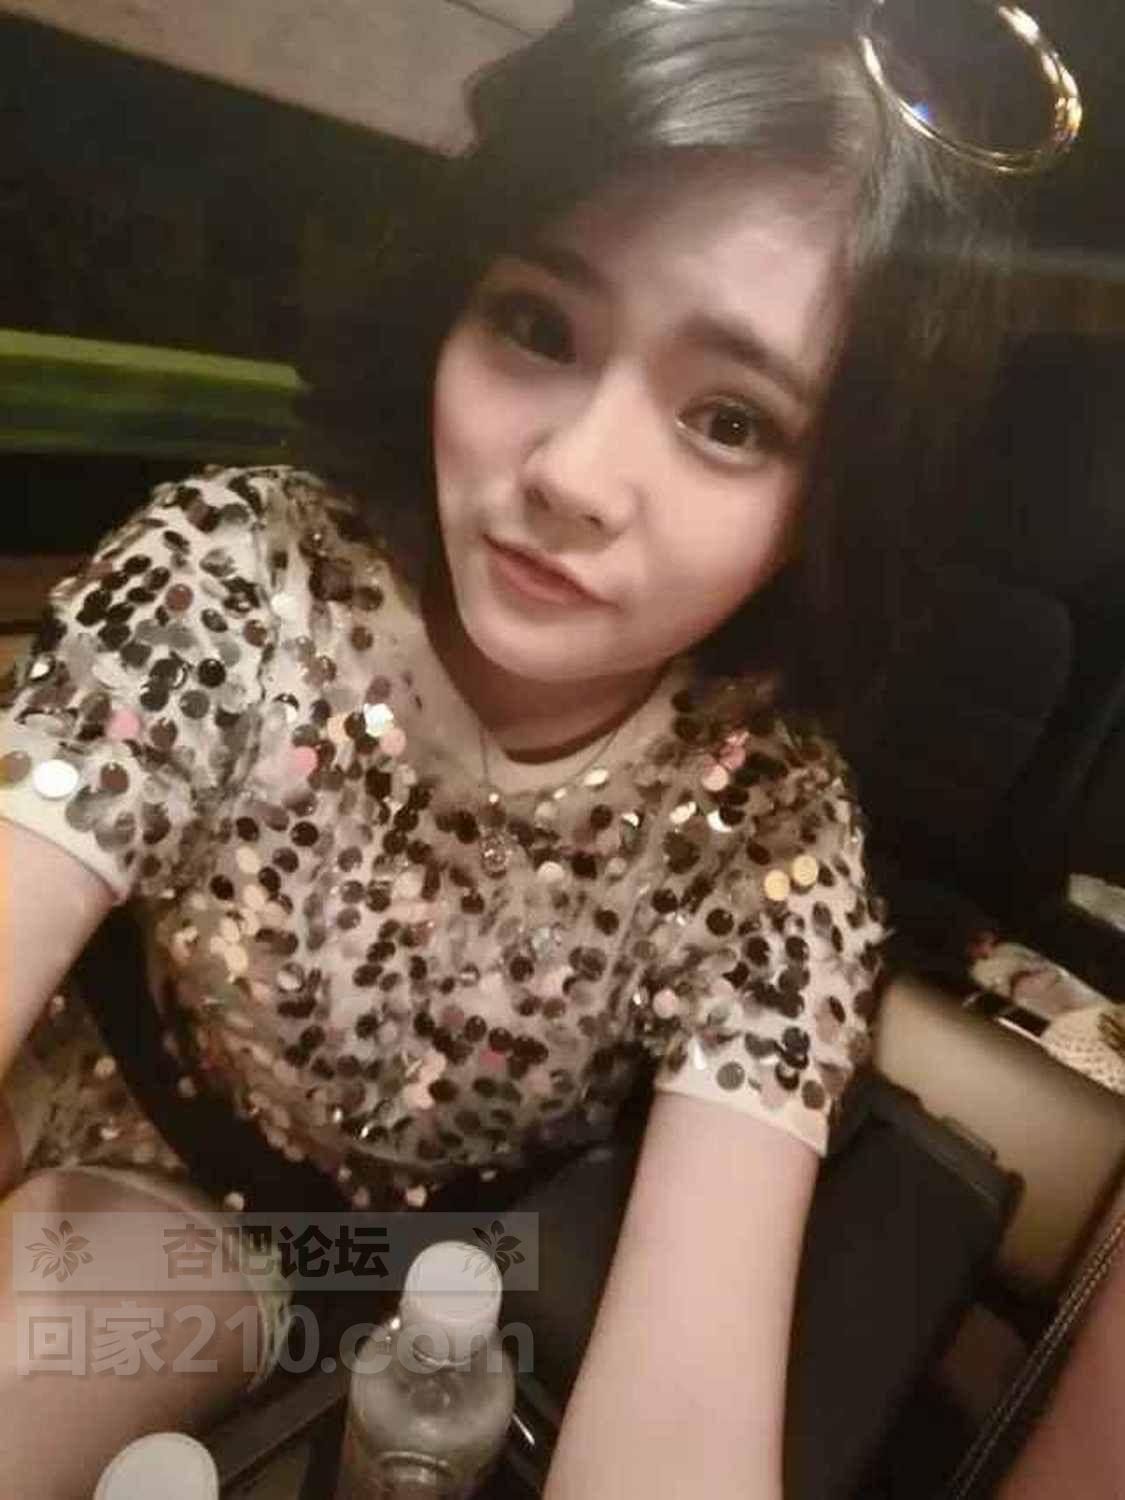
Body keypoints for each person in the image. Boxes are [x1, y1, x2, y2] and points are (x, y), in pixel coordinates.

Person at [0, 1, 1057, 1495]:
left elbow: (682, 1415)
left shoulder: (770, 839)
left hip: (203, 1212)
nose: (571, 476)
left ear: (832, 502)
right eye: (537, 327)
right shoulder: (238, 575)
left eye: (729, 420)